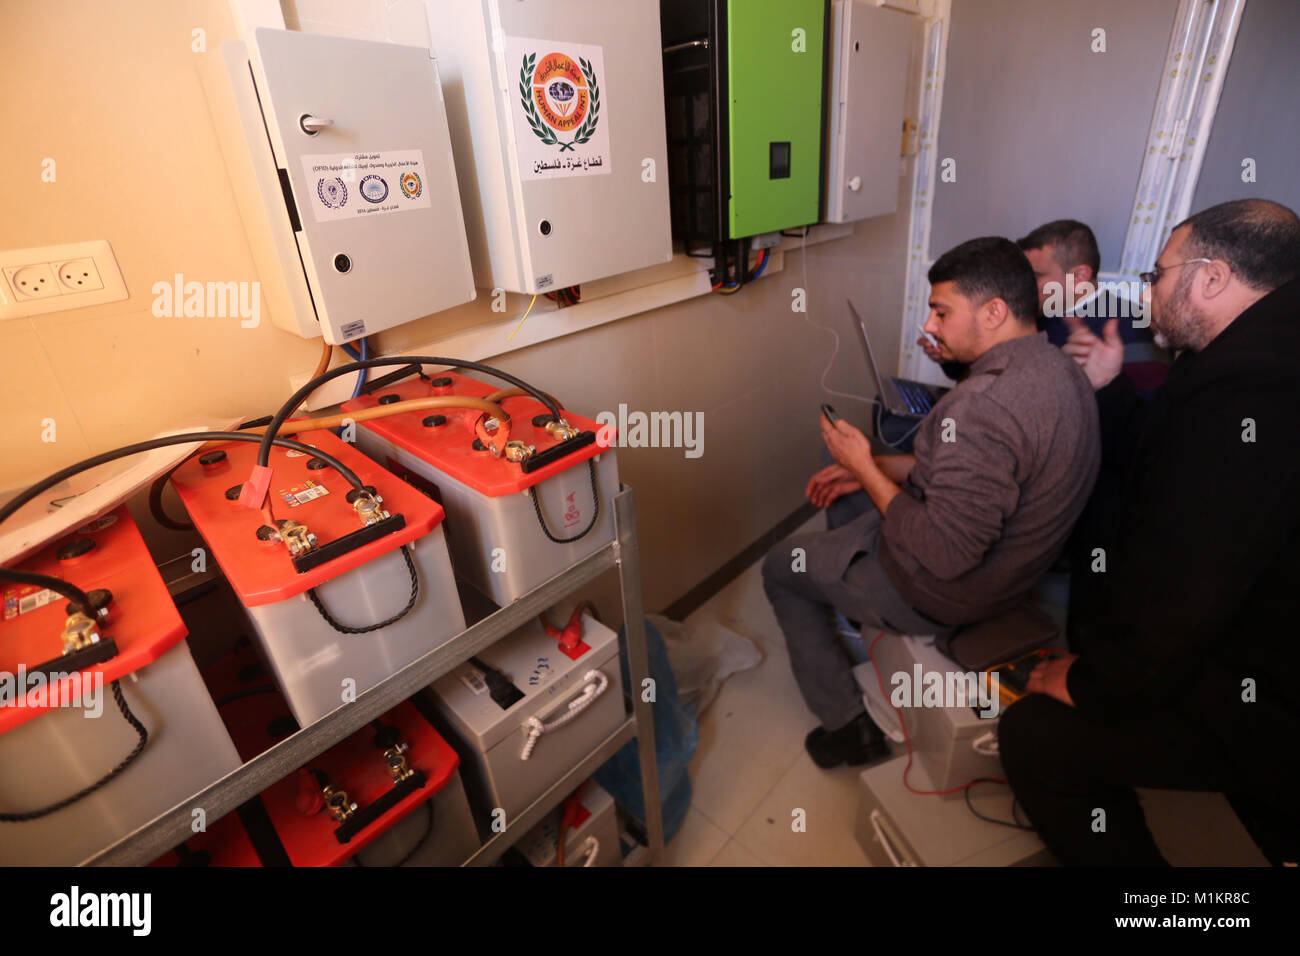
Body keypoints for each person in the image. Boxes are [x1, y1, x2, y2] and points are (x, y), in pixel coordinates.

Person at [998, 199, 1300, 866]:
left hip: (1262, 699)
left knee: (1036, 736)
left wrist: (1090, 684)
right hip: (1227, 659)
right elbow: (1159, 460)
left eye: (1158, 275)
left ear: (1212, 278)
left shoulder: (1260, 398)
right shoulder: (1229, 354)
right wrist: (1107, 388)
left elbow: (1191, 592)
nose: (1147, 291)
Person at [767, 237, 1100, 768]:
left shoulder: (978, 408)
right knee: (853, 506)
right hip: (1017, 574)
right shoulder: (1063, 374)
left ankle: (848, 726)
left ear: (994, 312)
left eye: (942, 312)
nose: (931, 327)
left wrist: (862, 465)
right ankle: (855, 607)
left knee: (782, 567)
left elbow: (946, 555)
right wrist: (873, 469)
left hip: (948, 592)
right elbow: (981, 478)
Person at [917, 220, 1170, 397]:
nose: (1023, 284)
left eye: (1036, 275)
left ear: (1080, 276)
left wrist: (1093, 383)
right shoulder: (1031, 313)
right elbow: (989, 373)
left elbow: (1138, 430)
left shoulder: (1134, 325)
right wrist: (949, 358)